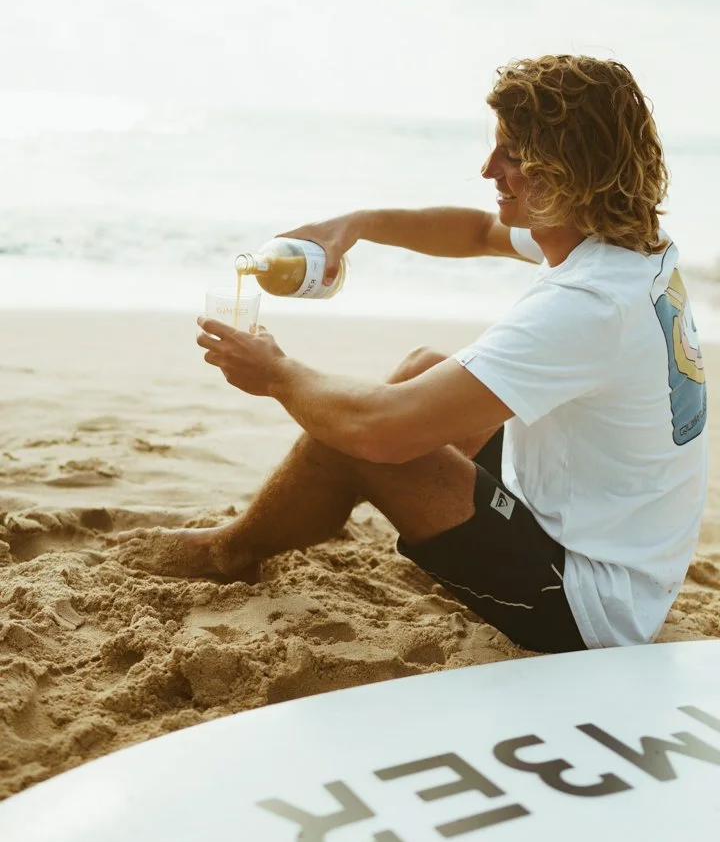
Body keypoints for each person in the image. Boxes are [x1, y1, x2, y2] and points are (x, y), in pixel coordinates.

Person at [118, 54, 708, 653]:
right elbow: (478, 232)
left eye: (512, 156)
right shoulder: (627, 238)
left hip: (588, 605)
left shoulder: (589, 303)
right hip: (623, 543)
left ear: (569, 172)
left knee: (358, 434)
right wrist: (356, 224)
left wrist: (274, 373)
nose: (488, 169)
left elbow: (379, 431)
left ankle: (228, 551)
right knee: (422, 370)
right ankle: (298, 515)